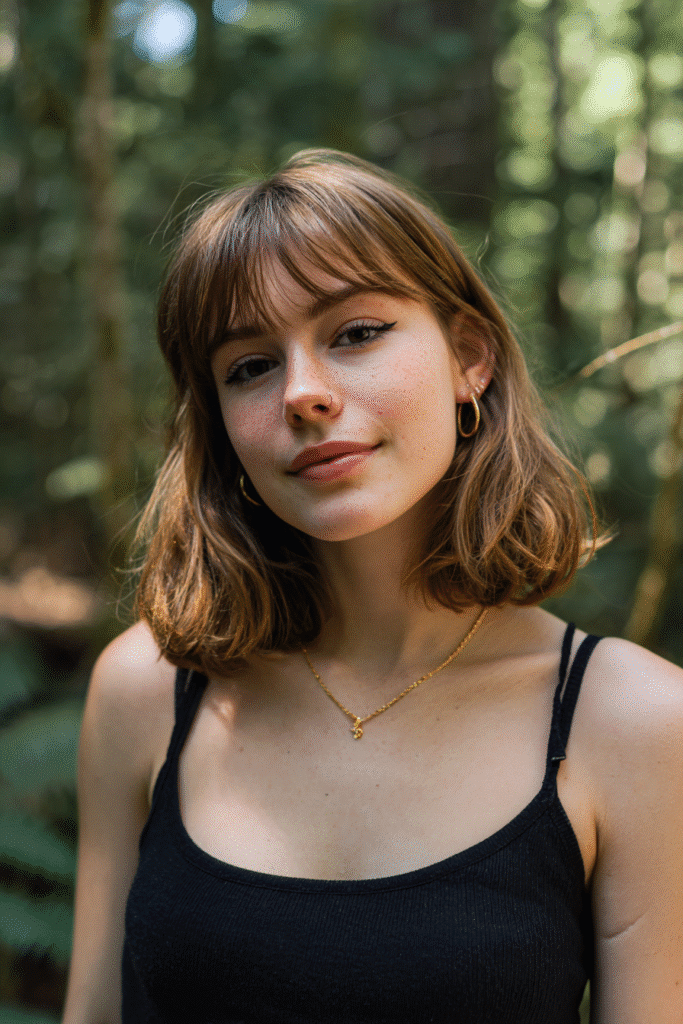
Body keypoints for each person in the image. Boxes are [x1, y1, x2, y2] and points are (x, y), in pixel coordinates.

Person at [62, 150, 683, 1024]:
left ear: (470, 357)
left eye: (354, 333)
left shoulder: (636, 721)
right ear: (221, 429)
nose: (303, 394)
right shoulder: (147, 690)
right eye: (249, 367)